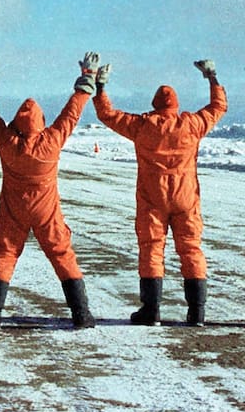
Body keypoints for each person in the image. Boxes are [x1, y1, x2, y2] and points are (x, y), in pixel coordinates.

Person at [94, 59, 228, 326]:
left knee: (152, 248)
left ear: (155, 104)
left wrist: (100, 86)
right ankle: (197, 312)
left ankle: (151, 310)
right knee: (191, 248)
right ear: (175, 105)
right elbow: (219, 107)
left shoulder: (143, 126)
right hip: (185, 196)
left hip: (153, 197)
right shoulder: (191, 124)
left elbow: (107, 114)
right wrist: (211, 77)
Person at [0, 52, 98, 330]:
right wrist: (88, 76)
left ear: (17, 121)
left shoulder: (7, 141)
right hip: (46, 209)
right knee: (61, 253)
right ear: (40, 121)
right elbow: (72, 112)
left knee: (4, 254)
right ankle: (81, 314)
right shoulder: (51, 140)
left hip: (14, 208)